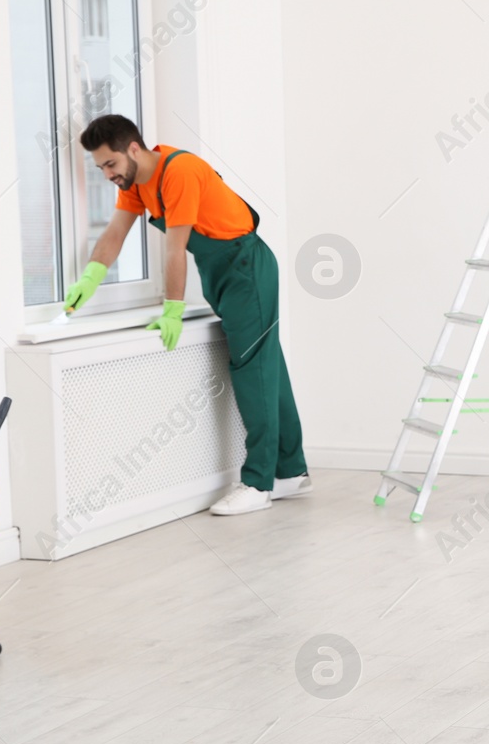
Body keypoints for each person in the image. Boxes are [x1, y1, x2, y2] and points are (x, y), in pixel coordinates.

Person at [67, 115, 309, 515]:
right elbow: (114, 234)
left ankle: (258, 483)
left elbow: (175, 249)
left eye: (109, 164)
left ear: (132, 149)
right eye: (100, 168)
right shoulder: (135, 184)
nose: (107, 174)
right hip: (218, 270)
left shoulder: (178, 171)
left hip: (245, 265)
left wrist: (172, 310)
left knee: (252, 370)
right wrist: (90, 277)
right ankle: (291, 472)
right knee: (267, 367)